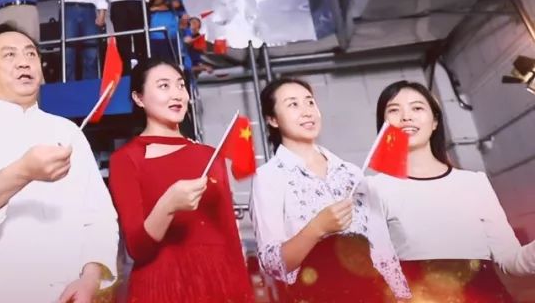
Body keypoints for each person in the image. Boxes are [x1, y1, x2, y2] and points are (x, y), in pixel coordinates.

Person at [0, 24, 119, 303]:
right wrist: (24, 171)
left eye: (31, 54)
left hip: (59, 294)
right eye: (9, 55)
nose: (24, 62)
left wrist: (90, 279)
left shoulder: (67, 132)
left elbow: (99, 215)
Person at [368, 81, 535, 301]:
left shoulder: (474, 182)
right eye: (394, 110)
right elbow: (376, 267)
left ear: (435, 121)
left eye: (417, 108)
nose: (406, 117)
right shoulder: (375, 188)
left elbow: (510, 261)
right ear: (384, 125)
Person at [249, 77, 410, 302]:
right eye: (293, 104)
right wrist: (317, 228)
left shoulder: (352, 173)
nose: (307, 112)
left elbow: (382, 246)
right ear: (272, 119)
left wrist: (401, 295)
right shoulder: (268, 177)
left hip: (372, 292)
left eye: (310, 102)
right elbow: (272, 264)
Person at [108, 58, 252, 302]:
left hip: (219, 284)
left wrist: (243, 292)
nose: (177, 94)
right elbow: (137, 248)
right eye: (164, 86)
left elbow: (230, 236)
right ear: (139, 98)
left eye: (181, 85)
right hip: (162, 287)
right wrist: (168, 205)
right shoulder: (126, 159)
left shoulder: (210, 155)